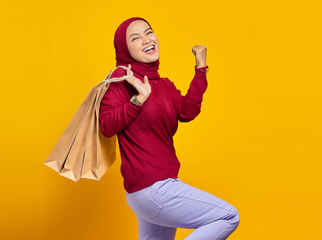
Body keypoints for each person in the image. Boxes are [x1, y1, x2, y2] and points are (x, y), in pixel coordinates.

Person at [99, 17, 240, 240]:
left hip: (160, 185)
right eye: (135, 38)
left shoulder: (163, 85)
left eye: (148, 32)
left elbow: (187, 111)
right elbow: (106, 125)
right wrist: (137, 101)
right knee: (228, 216)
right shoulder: (122, 78)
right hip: (151, 187)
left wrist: (201, 69)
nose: (146, 39)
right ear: (125, 49)